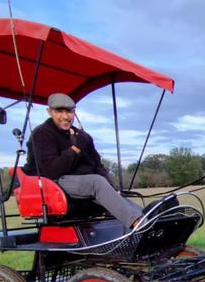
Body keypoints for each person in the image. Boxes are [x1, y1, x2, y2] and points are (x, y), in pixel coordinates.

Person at [24, 93, 148, 230]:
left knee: (113, 194)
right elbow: (52, 170)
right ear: (49, 112)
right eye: (59, 111)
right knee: (96, 182)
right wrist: (76, 148)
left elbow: (97, 165)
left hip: (84, 183)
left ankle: (150, 217)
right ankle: (138, 223)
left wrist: (111, 187)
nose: (65, 117)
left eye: (69, 111)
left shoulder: (83, 136)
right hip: (55, 182)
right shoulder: (42, 134)